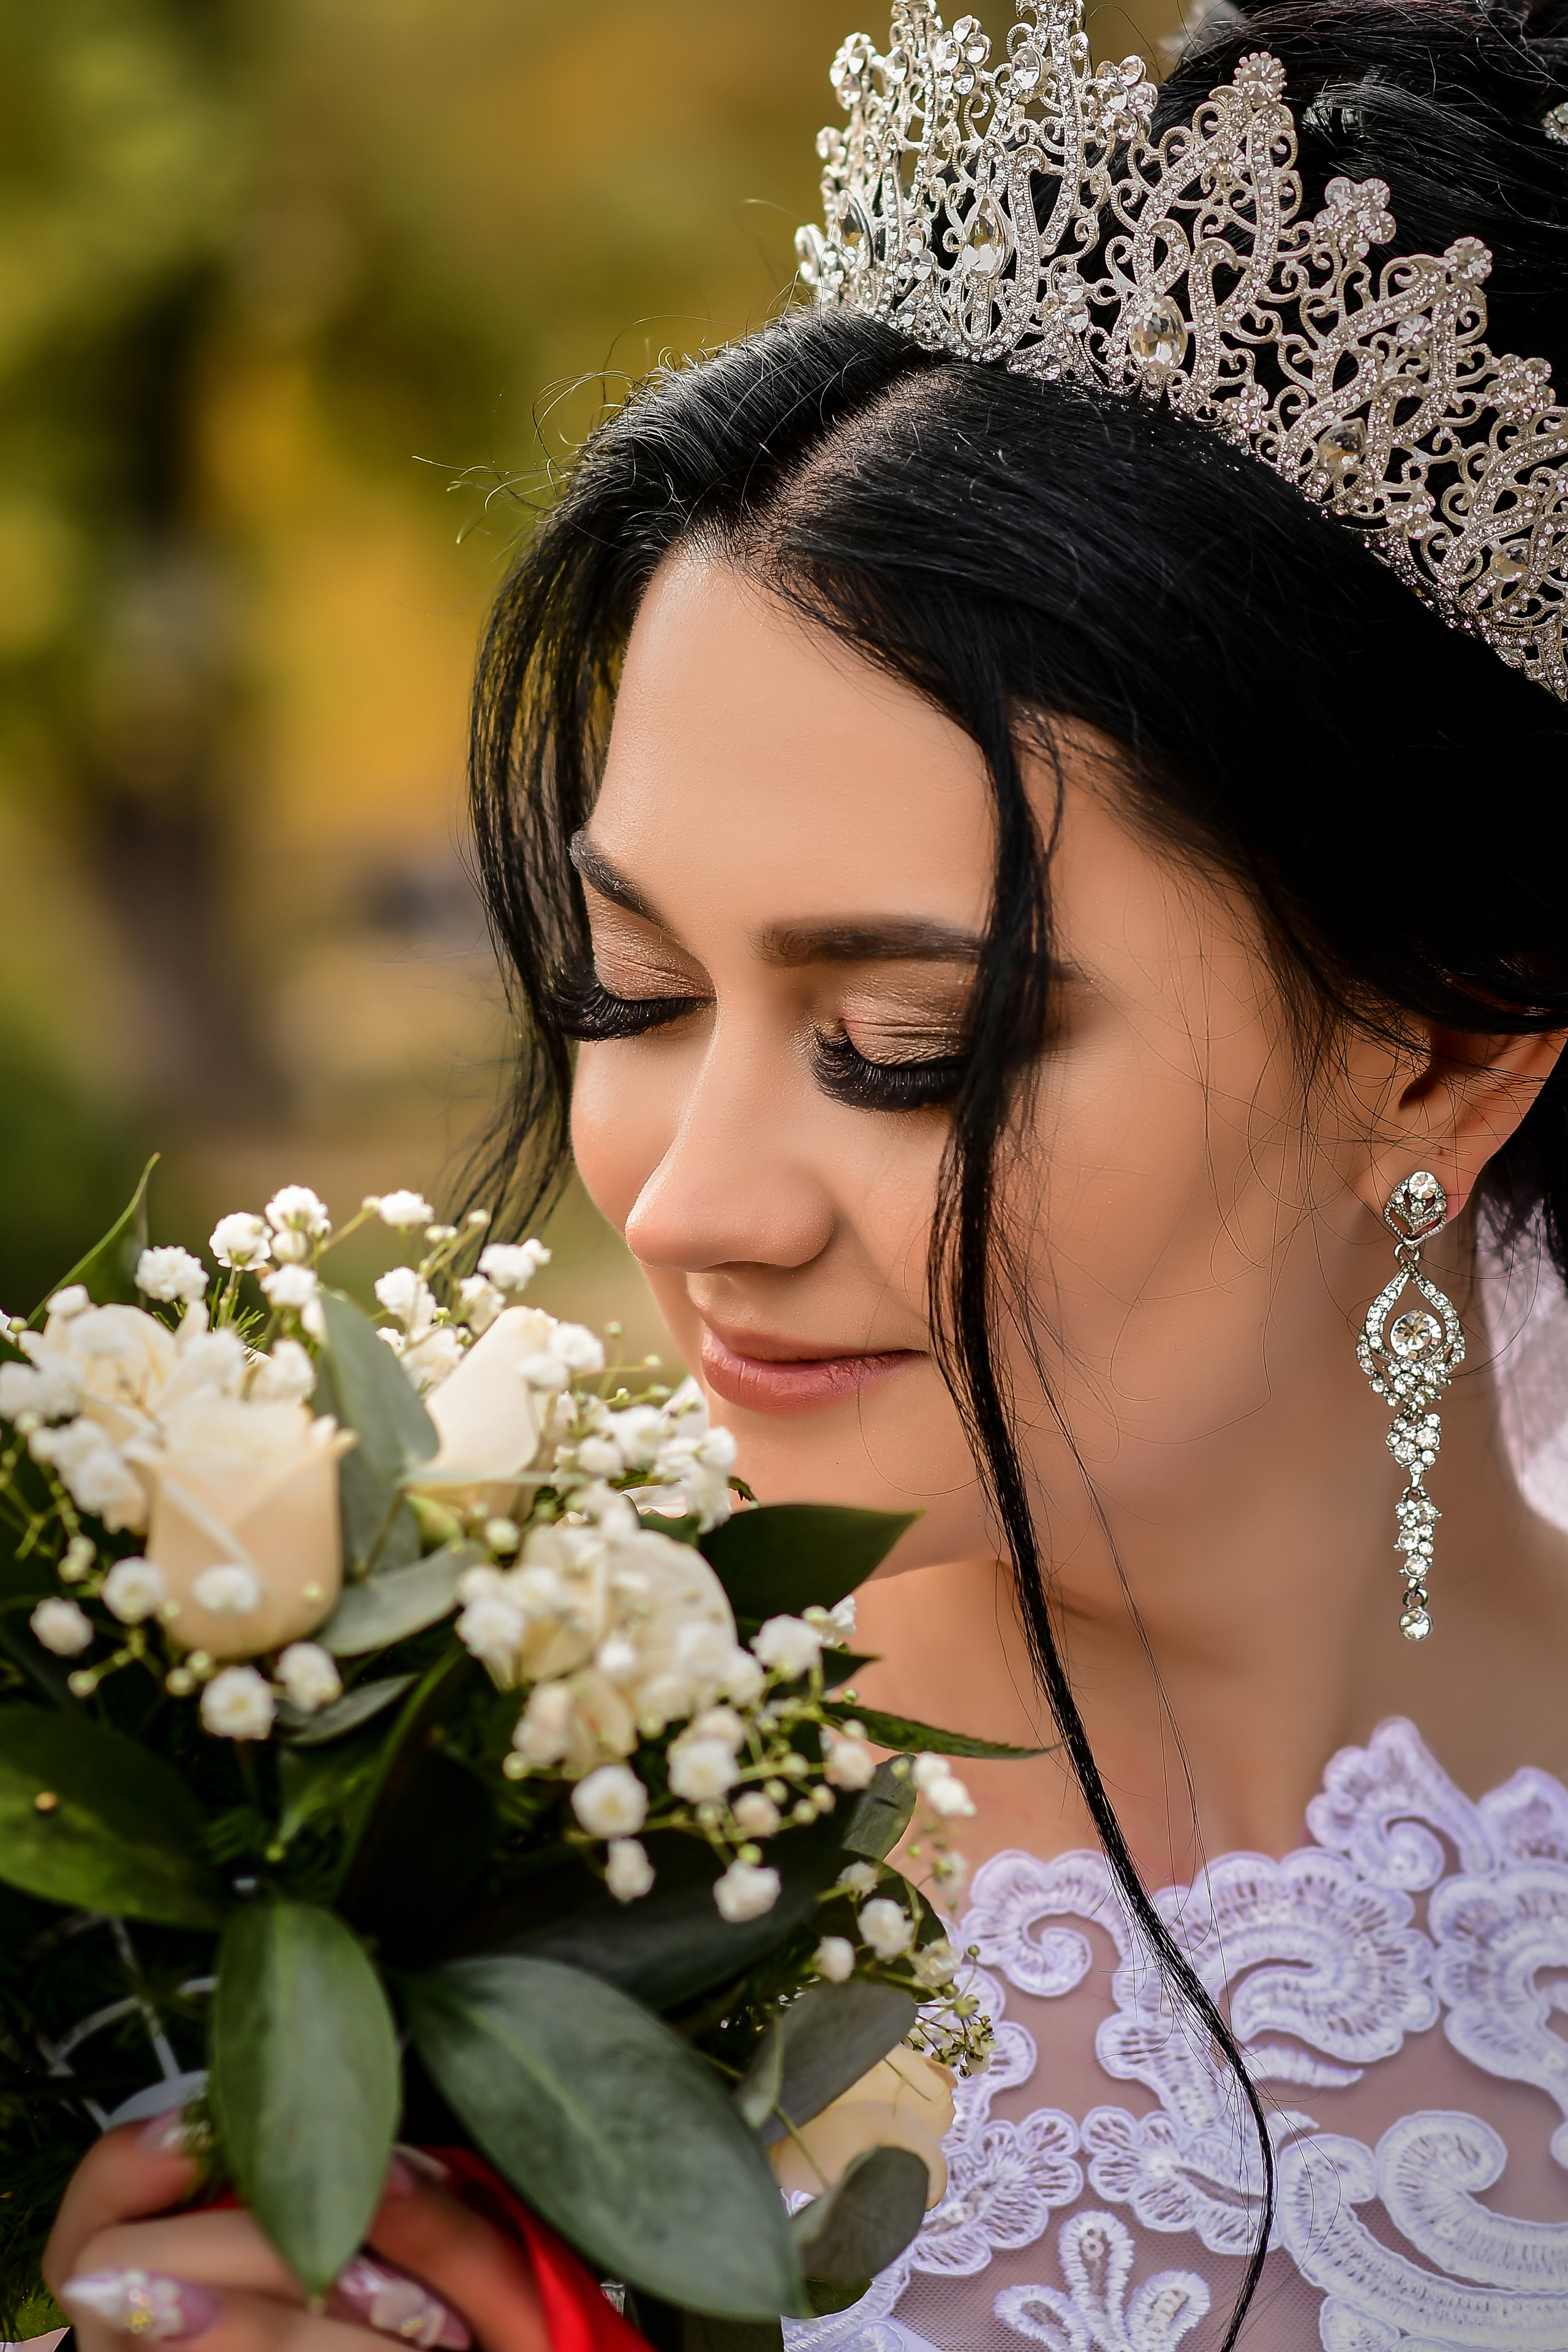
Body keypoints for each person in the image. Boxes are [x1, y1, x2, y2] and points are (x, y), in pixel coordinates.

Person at [42, 0, 1568, 2346]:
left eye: (903, 1045)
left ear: (1449, 1049)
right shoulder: (397, 1880)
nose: (684, 1202)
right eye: (636, 994)